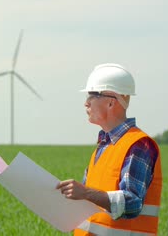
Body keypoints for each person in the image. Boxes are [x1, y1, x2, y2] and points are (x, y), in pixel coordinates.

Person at [56, 63, 162, 236]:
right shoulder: (104, 146)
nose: (86, 103)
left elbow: (132, 203)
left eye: (92, 95)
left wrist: (85, 192)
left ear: (111, 102)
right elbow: (89, 202)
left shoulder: (139, 145)